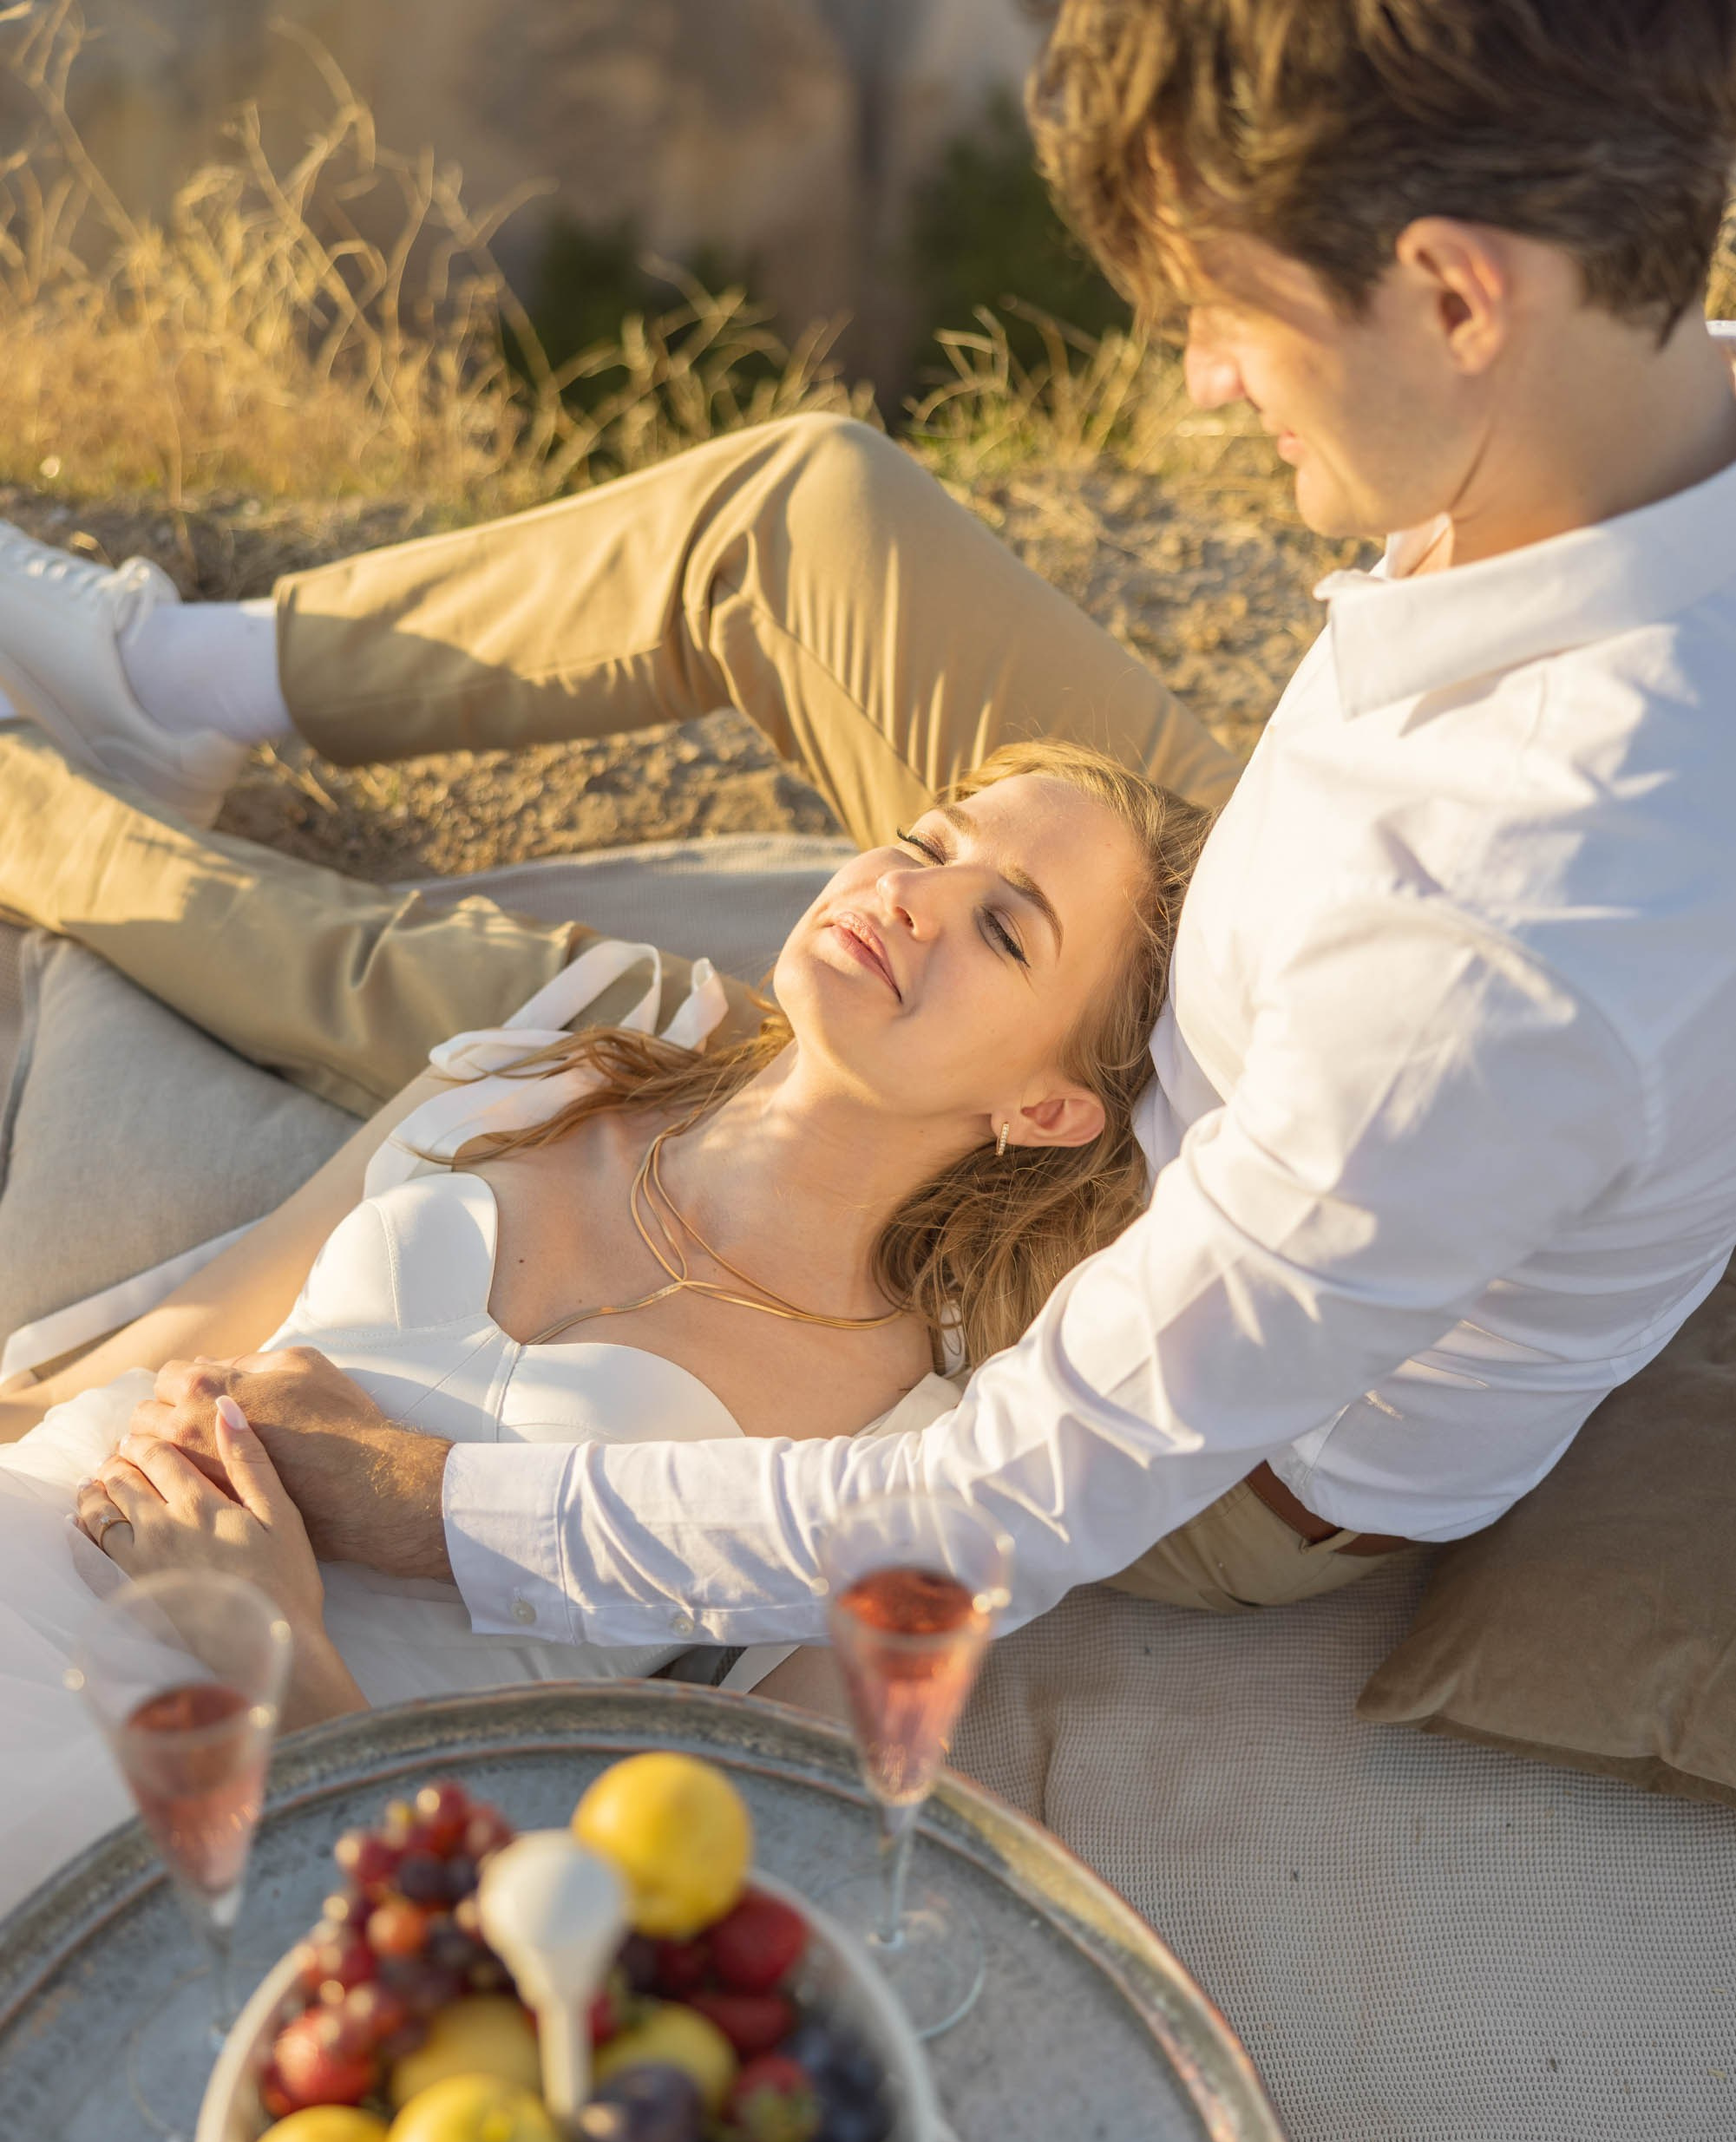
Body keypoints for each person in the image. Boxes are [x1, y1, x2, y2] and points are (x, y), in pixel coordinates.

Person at [10, 0, 1736, 1651]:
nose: (1201, 378)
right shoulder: (1625, 418)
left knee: (572, 1031)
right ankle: (172, 683)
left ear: (1451, 293)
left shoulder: (1503, 945)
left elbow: (991, 1511)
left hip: (1223, 1351)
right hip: (1274, 977)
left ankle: (34, 827)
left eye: (1230, 305)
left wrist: (439, 1504)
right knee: (809, 519)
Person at [0, 741, 1195, 1908]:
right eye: (924, 843)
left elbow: (694, 1900)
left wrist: (276, 1645)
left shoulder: (917, 1459)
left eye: (1003, 928)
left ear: (1042, 1109)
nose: (913, 896)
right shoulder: (552, 1074)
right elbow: (182, 1329)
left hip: (239, 1797)